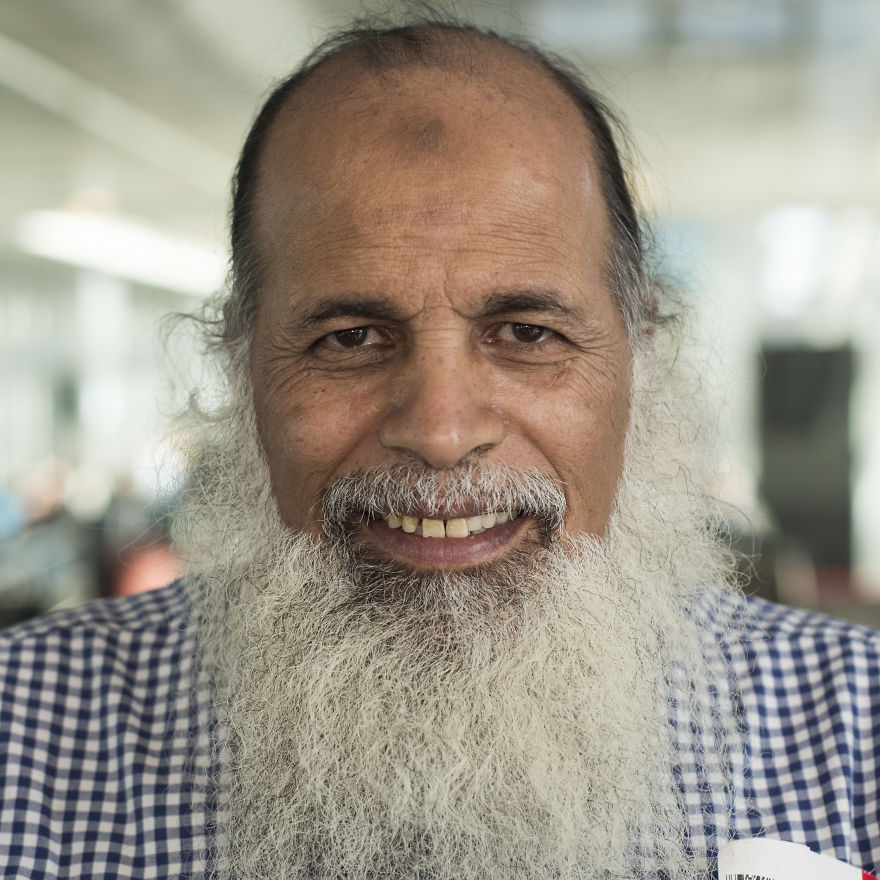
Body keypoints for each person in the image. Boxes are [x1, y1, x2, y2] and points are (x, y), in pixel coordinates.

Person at [2, 15, 880, 880]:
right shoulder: (22, 740)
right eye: (350, 338)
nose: (442, 429)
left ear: (641, 359)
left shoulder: (857, 734)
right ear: (243, 370)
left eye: (528, 332)